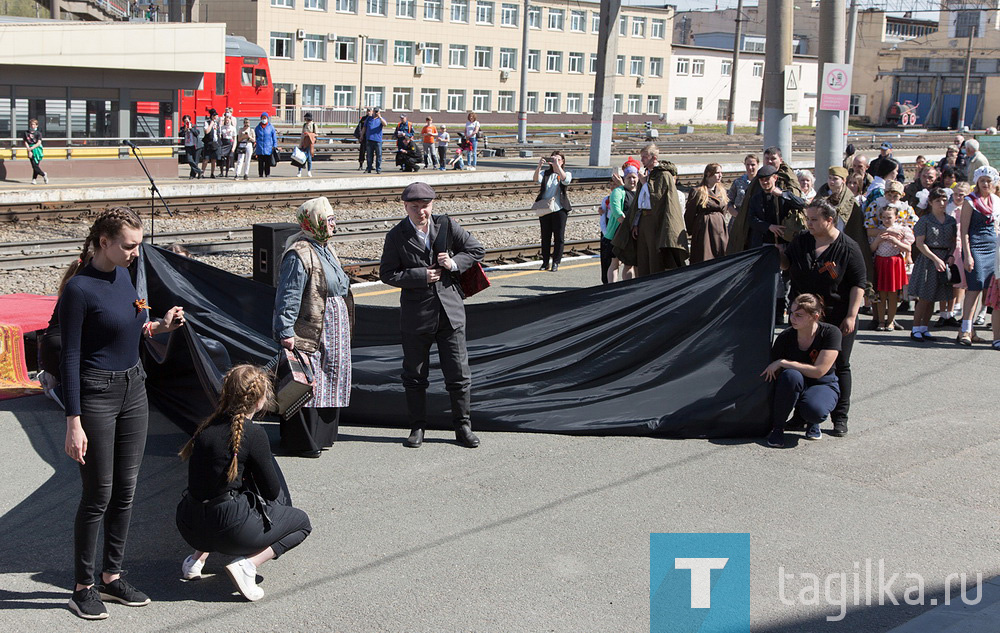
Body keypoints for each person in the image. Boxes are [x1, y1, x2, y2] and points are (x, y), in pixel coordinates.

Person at [61, 208, 185, 619]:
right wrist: (73, 421)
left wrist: (159, 326)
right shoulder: (79, 289)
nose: (136, 252)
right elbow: (72, 358)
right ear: (104, 243)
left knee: (126, 491)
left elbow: (127, 327)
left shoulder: (125, 274)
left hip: (134, 389)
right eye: (130, 245)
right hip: (96, 394)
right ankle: (83, 587)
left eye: (139, 244)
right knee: (99, 493)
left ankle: (112, 577)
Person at [175, 365, 312, 602]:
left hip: (190, 526)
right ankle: (248, 565)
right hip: (230, 530)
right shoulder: (254, 434)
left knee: (216, 490)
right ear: (260, 400)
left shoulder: (205, 427)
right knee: (302, 522)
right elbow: (271, 492)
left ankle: (196, 560)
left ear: (226, 393)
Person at [378, 182, 486, 449]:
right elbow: (387, 274)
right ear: (405, 207)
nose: (421, 212)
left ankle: (463, 427)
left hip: (450, 314)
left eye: (425, 206)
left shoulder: (446, 225)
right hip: (417, 317)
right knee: (415, 376)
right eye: (414, 207)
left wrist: (454, 263)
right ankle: (417, 427)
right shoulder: (396, 235)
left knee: (459, 375)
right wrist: (419, 276)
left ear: (432, 205)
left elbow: (476, 249)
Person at [273, 197, 353, 458]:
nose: (333, 224)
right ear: (314, 222)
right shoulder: (299, 253)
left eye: (332, 219)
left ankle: (322, 437)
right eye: (328, 220)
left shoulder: (324, 247)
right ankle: (302, 442)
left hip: (332, 326)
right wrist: (285, 331)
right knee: (307, 383)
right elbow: (288, 295)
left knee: (329, 381)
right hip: (312, 327)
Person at [781, 199, 867, 437]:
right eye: (807, 218)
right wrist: (777, 255)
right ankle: (801, 415)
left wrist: (851, 315)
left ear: (829, 220)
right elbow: (787, 263)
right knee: (801, 361)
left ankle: (839, 417)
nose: (809, 223)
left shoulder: (848, 247)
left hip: (837, 317)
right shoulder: (802, 240)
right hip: (804, 316)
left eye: (814, 219)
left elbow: (859, 284)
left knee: (839, 365)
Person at [762, 294, 841, 447]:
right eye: (791, 313)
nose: (792, 318)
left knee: (815, 410)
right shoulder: (786, 337)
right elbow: (774, 373)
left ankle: (812, 422)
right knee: (790, 376)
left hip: (822, 384)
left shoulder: (831, 333)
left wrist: (784, 362)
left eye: (799, 315)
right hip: (795, 382)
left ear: (814, 316)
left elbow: (818, 371)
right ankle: (778, 429)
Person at [616, 143, 688, 276]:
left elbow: (658, 199)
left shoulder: (663, 175)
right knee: (643, 256)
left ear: (653, 158)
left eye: (644, 157)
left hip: (656, 221)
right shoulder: (646, 175)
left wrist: (645, 183)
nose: (642, 160)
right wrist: (636, 223)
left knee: (655, 256)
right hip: (644, 221)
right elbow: (640, 202)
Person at [727, 146, 801, 255]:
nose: (770, 161)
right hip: (759, 235)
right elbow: (750, 213)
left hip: (783, 237)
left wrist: (782, 194)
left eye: (773, 158)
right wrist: (767, 227)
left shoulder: (787, 179)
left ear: (780, 160)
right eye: (767, 158)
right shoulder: (757, 181)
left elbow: (800, 203)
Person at [956, 166, 999, 345]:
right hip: (976, 247)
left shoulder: (996, 200)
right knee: (974, 288)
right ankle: (965, 330)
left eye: (989, 180)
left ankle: (972, 331)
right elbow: (964, 230)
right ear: (978, 182)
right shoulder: (970, 201)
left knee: (986, 288)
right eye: (983, 181)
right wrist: (968, 255)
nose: (986, 184)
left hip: (993, 248)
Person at [909, 188, 958, 341]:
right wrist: (935, 259)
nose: (942, 203)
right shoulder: (925, 220)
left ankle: (924, 327)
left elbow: (953, 241)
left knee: (934, 297)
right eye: (938, 200)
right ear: (930, 202)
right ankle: (915, 328)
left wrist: (950, 255)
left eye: (944, 200)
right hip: (928, 260)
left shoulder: (950, 220)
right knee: (924, 296)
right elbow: (920, 243)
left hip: (944, 259)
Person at [869, 206, 914, 331]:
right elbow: (871, 249)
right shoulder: (879, 231)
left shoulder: (901, 230)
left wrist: (896, 241)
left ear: (896, 217)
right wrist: (878, 240)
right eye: (883, 217)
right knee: (881, 294)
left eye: (889, 217)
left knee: (893, 295)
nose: (886, 220)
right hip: (881, 262)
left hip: (894, 262)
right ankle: (881, 321)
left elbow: (908, 248)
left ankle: (890, 321)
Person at [533, 151, 573, 272]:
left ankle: (556, 262)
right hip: (546, 209)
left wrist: (558, 167)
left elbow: (566, 180)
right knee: (545, 237)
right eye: (554, 159)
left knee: (559, 237)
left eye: (559, 159)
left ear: (563, 161)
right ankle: (545, 262)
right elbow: (536, 179)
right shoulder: (545, 174)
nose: (556, 161)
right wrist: (539, 166)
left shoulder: (565, 173)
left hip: (560, 209)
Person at [684, 162, 729, 264]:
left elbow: (724, 210)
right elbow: (689, 214)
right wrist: (694, 231)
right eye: (717, 173)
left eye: (721, 172)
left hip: (720, 229)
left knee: (720, 255)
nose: (720, 175)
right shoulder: (698, 191)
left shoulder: (722, 191)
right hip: (705, 229)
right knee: (704, 255)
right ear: (709, 174)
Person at [604, 158, 640, 283]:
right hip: (618, 233)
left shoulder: (640, 192)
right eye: (629, 177)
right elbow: (616, 211)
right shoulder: (618, 192)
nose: (632, 180)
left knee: (629, 263)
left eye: (634, 177)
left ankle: (626, 288)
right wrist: (628, 225)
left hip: (633, 233)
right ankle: (612, 287)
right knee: (615, 262)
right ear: (624, 179)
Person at [726, 154, 759, 221]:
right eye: (747, 165)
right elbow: (728, 201)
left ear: (758, 164)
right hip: (739, 218)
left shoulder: (762, 182)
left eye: (753, 165)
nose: (750, 167)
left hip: (756, 219)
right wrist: (737, 215)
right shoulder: (738, 182)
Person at [23, 118, 48, 185]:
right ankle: (43, 174)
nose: (32, 126)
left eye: (34, 124)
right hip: (30, 149)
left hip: (37, 149)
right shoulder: (26, 133)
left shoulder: (38, 133)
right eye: (31, 124)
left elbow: (39, 142)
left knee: (36, 165)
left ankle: (34, 179)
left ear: (37, 125)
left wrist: (32, 148)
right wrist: (29, 149)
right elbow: (25, 142)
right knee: (33, 165)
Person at [253, 113, 277, 178]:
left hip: (268, 147)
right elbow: (255, 136)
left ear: (267, 118)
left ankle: (267, 173)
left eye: (265, 118)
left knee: (267, 162)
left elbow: (274, 137)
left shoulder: (271, 127)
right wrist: (255, 142)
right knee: (260, 162)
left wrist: (274, 145)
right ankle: (260, 174)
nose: (264, 120)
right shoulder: (258, 127)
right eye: (263, 118)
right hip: (260, 147)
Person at [365, 107, 388, 174]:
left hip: (378, 140)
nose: (376, 113)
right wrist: (362, 135)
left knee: (379, 155)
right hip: (369, 139)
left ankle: (378, 169)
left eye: (377, 112)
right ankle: (369, 168)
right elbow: (364, 127)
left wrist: (380, 117)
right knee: (369, 155)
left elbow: (385, 124)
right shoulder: (369, 118)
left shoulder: (381, 119)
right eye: (375, 112)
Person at [180, 115, 204, 179]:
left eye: (187, 121)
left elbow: (197, 133)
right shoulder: (182, 128)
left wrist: (191, 128)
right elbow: (180, 135)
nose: (186, 122)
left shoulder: (194, 126)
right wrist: (185, 130)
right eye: (185, 121)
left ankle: (192, 175)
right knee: (189, 160)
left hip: (196, 146)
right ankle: (199, 171)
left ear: (190, 121)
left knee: (195, 161)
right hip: (188, 146)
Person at [201, 109, 220, 178]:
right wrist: (211, 124)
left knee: (214, 159)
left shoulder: (217, 124)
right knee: (206, 159)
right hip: (208, 143)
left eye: (217, 116)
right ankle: (202, 173)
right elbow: (207, 131)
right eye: (214, 116)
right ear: (211, 116)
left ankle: (212, 173)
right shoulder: (207, 123)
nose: (216, 117)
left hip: (215, 143)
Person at [297, 113, 317, 178]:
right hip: (303, 142)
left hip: (310, 143)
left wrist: (308, 134)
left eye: (306, 119)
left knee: (309, 158)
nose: (306, 120)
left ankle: (309, 171)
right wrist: (300, 144)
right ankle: (299, 171)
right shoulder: (304, 125)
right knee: (300, 158)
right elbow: (302, 135)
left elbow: (316, 134)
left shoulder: (313, 125)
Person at [218, 112, 237, 178]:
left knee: (228, 158)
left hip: (229, 143)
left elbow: (235, 138)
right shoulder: (222, 128)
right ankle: (221, 172)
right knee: (222, 158)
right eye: (226, 120)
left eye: (228, 120)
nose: (227, 121)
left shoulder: (233, 128)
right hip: (223, 142)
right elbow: (220, 136)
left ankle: (226, 172)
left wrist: (233, 148)